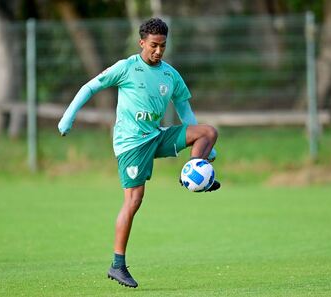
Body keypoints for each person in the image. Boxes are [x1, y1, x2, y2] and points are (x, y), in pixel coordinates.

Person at [58, 17, 220, 288]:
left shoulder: (170, 74)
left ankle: (192, 173)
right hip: (131, 144)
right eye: (153, 45)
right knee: (134, 201)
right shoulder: (126, 68)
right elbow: (91, 86)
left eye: (163, 46)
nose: (158, 51)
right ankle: (117, 265)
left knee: (208, 133)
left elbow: (185, 111)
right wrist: (68, 117)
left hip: (156, 135)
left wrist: (203, 155)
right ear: (142, 42)